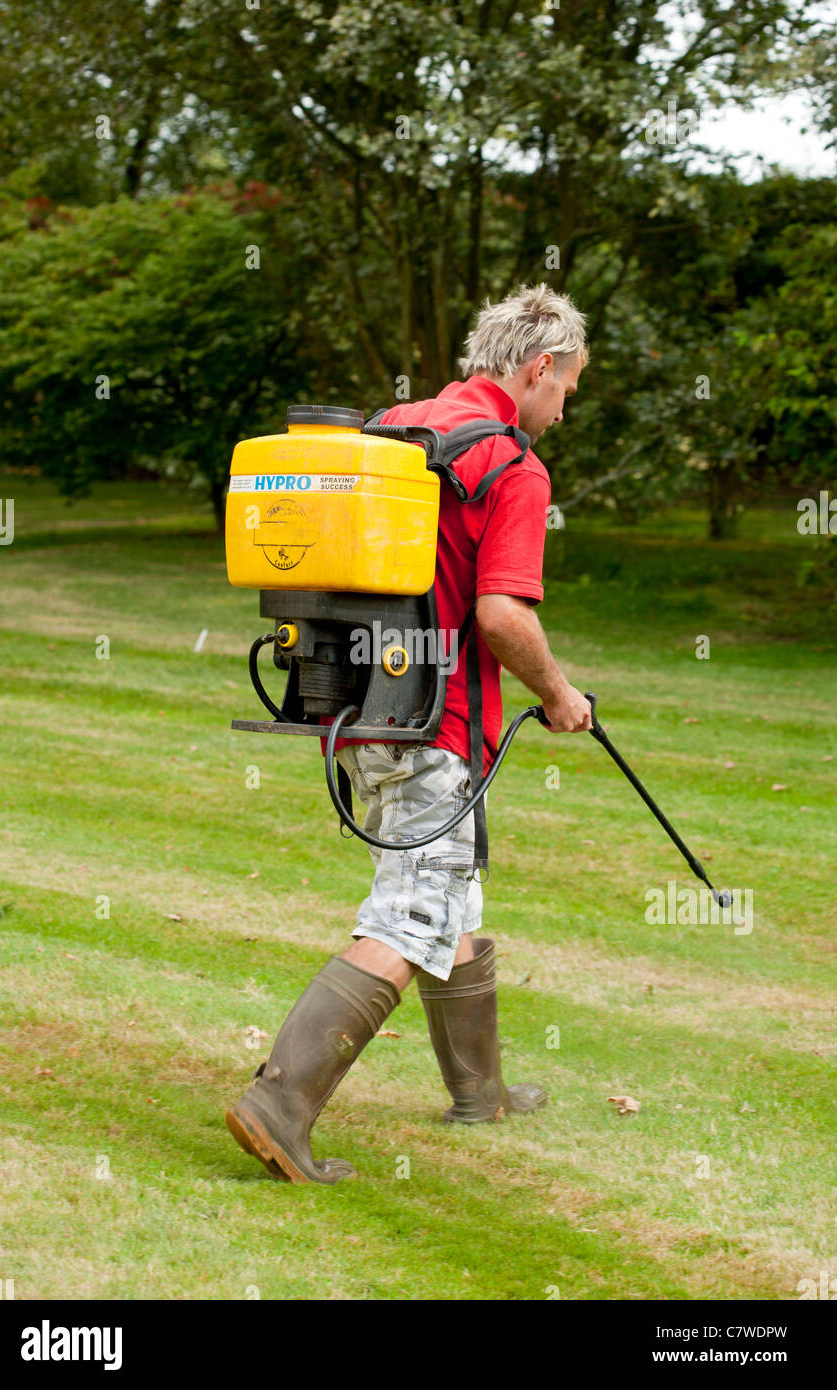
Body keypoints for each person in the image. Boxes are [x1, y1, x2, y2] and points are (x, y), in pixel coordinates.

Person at [225, 283, 594, 1184]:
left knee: (449, 895)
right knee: (410, 912)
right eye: (567, 391)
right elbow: (502, 616)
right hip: (440, 719)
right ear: (538, 369)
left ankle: (482, 1093)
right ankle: (282, 1101)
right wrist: (558, 690)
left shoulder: (394, 426)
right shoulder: (511, 465)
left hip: (351, 708)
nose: (563, 409)